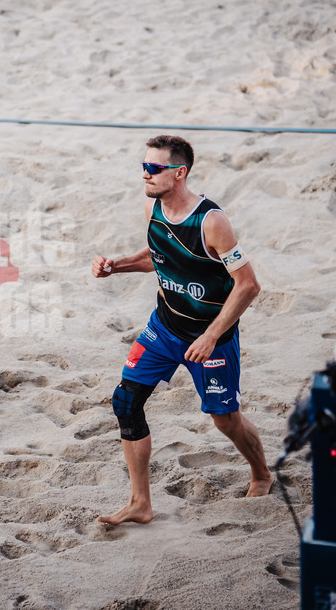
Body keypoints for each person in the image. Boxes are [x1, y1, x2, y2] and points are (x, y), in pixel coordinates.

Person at [91, 135, 273, 525]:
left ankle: (261, 472)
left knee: (226, 419)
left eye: (154, 168)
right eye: (144, 166)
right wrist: (116, 265)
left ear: (179, 173)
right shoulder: (151, 207)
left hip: (212, 339)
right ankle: (140, 503)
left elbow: (248, 285)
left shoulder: (212, 221)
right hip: (164, 327)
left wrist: (211, 335)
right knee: (125, 402)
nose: (146, 174)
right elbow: (160, 257)